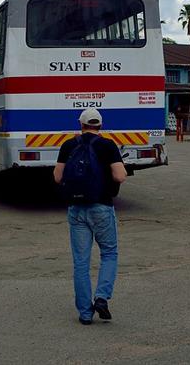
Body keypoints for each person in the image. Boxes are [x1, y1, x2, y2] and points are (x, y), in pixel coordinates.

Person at [54, 107, 127, 325]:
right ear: (100, 126)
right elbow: (120, 176)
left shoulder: (68, 145)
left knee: (81, 262)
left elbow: (57, 177)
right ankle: (102, 297)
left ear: (81, 124)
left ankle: (85, 313)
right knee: (109, 253)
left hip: (76, 208)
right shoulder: (108, 145)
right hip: (102, 206)